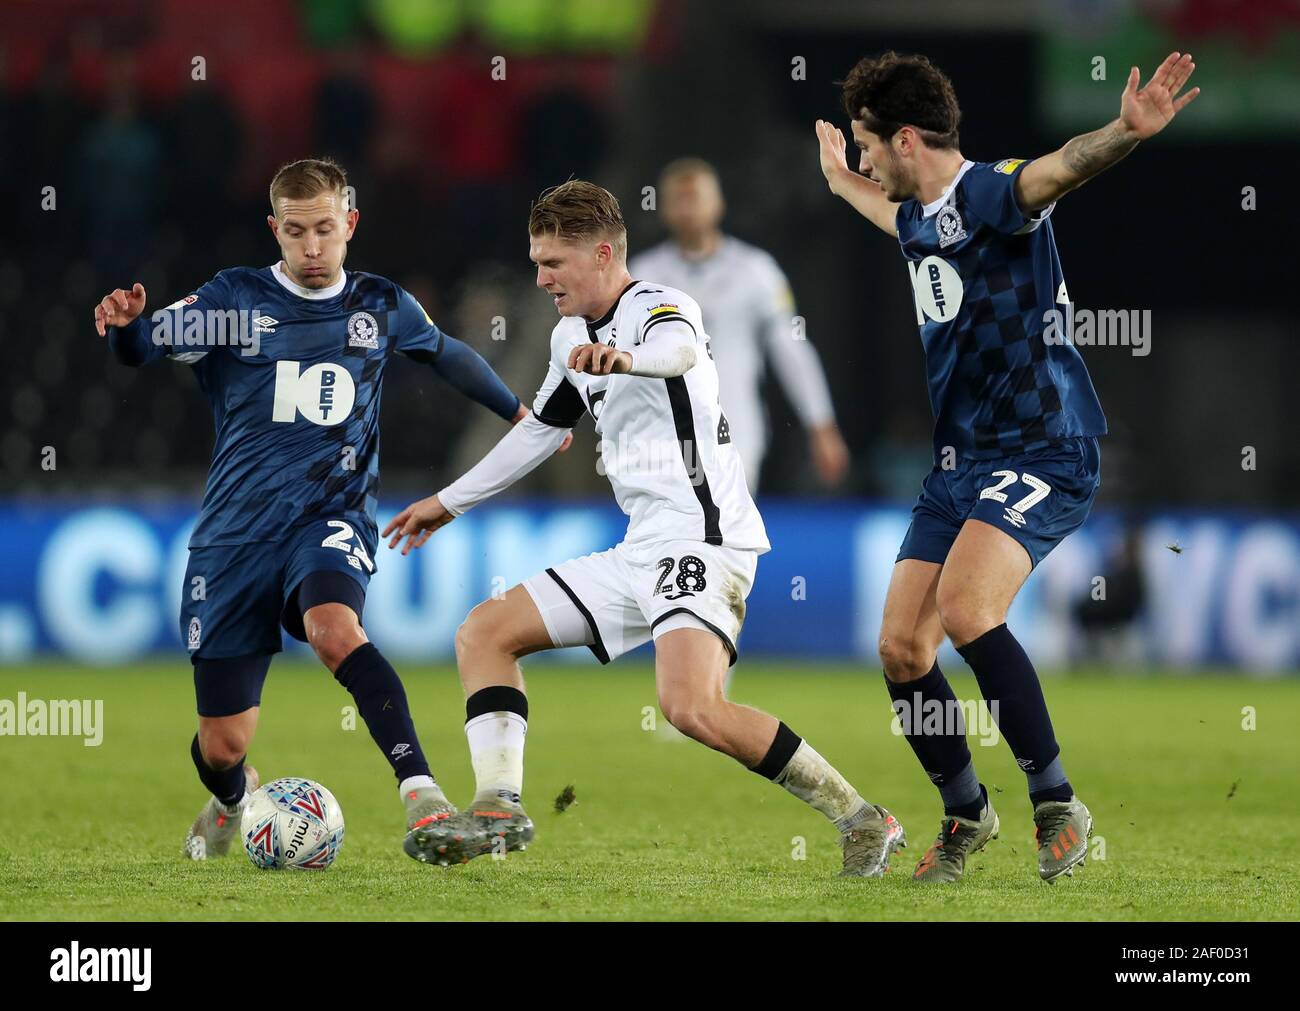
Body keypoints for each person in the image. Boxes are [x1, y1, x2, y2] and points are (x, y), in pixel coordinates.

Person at [386, 180, 905, 876]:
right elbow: (541, 431)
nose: (541, 279)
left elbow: (679, 353)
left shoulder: (660, 305)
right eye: (537, 263)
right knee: (484, 632)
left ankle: (863, 816)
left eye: (553, 264)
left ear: (602, 254)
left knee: (691, 707)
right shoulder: (571, 335)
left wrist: (627, 360)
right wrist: (448, 502)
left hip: (702, 537)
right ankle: (499, 805)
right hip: (641, 548)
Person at [815, 51, 1198, 881]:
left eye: (868, 143)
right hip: (961, 464)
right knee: (899, 649)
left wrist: (1124, 134)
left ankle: (1057, 801)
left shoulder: (991, 191)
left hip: (1044, 447)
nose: (866, 155)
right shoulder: (918, 214)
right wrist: (844, 181)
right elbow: (896, 222)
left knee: (963, 607)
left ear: (906, 137)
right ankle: (965, 812)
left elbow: (1059, 169)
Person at [95, 157, 530, 861]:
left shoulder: (381, 304)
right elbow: (142, 348)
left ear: (349, 224)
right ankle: (236, 797)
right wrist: (125, 326)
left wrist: (519, 412)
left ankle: (422, 795)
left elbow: (445, 354)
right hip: (233, 536)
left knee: (334, 628)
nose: (311, 247)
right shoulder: (231, 301)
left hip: (330, 514)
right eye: (295, 232)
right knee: (222, 743)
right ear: (275, 229)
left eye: (325, 229)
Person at [630, 159, 848, 492]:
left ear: (718, 204)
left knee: (727, 534)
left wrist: (821, 424)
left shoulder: (756, 271)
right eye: (678, 199)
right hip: (660, 430)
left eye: (696, 197)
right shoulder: (643, 275)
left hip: (734, 426)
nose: (688, 208)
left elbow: (790, 348)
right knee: (669, 536)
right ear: (664, 208)